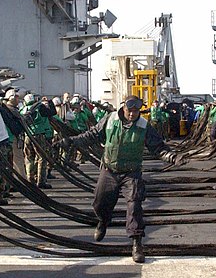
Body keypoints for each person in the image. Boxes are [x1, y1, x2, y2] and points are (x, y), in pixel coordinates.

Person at [65, 95, 180, 263]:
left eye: (135, 111)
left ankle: (136, 243)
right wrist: (71, 141)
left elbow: (158, 147)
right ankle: (103, 221)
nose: (132, 114)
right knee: (100, 201)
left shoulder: (144, 126)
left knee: (135, 205)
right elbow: (92, 135)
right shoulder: (110, 120)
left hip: (131, 173)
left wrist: (171, 157)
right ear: (122, 108)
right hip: (109, 170)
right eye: (129, 110)